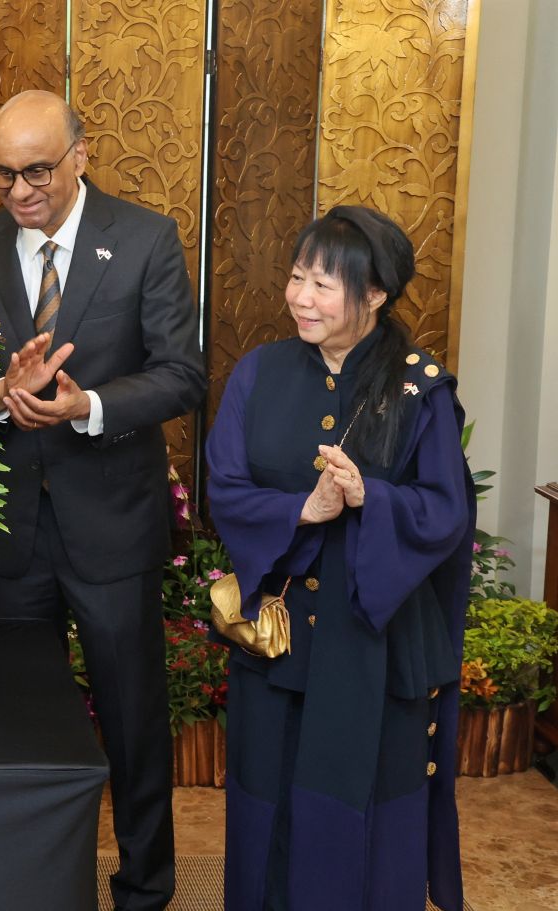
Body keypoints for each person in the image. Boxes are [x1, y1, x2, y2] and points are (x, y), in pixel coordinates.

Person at [0, 90, 206, 911]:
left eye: (38, 171)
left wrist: (86, 405)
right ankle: (32, 884)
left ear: (81, 155)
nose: (20, 191)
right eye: (3, 174)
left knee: (131, 722)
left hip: (111, 524)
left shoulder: (145, 238)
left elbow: (181, 373)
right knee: (21, 723)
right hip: (12, 527)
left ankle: (144, 887)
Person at [205, 206, 474, 910]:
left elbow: (446, 511)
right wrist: (304, 507)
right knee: (268, 812)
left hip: (372, 652)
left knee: (368, 821)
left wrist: (370, 498)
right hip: (280, 647)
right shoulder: (259, 372)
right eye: (297, 277)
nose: (301, 297)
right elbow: (226, 488)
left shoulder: (420, 389)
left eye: (325, 285)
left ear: (376, 294)